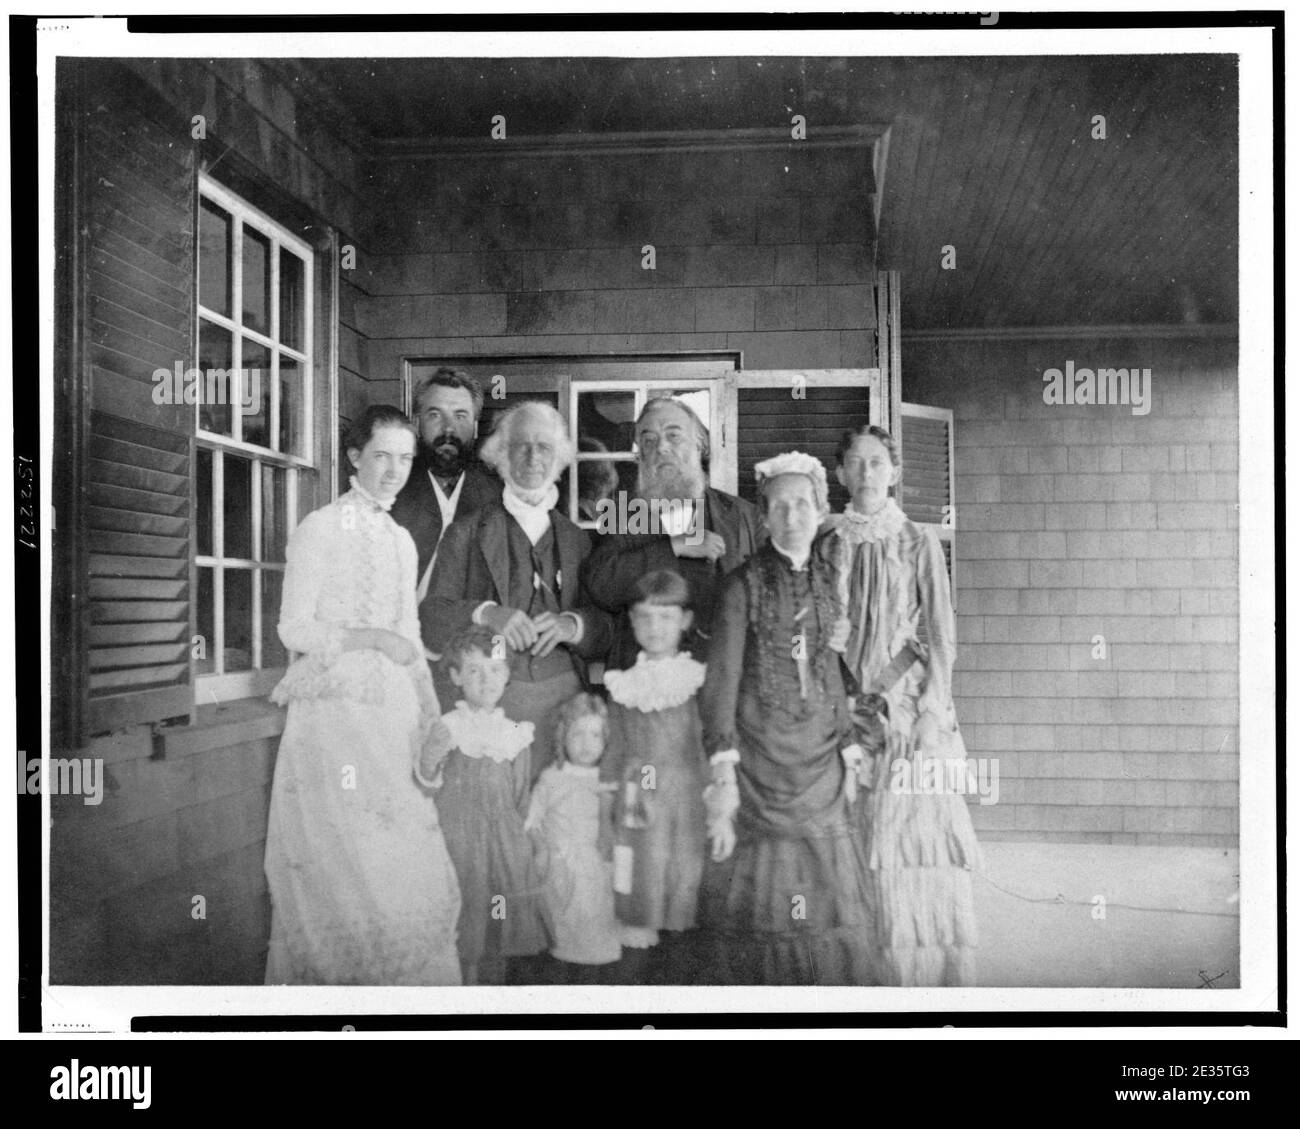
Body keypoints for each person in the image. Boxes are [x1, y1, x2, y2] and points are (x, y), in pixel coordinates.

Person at [264, 404, 461, 985]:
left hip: (391, 719)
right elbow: (293, 629)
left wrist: (430, 712)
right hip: (333, 718)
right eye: (381, 456)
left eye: (405, 458)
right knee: (347, 868)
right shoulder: (320, 527)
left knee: (401, 864)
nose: (393, 471)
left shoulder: (401, 539)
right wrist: (371, 638)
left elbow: (412, 636)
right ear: (354, 457)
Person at [697, 451, 874, 986]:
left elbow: (828, 671)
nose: (791, 516)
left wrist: (848, 743)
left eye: (802, 504)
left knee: (830, 902)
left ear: (821, 510)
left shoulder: (827, 580)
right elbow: (720, 684)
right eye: (778, 506)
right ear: (764, 516)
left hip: (821, 763)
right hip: (759, 767)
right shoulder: (740, 585)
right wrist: (723, 775)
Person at [831, 424, 981, 986]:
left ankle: (922, 982)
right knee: (853, 836)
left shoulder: (917, 542)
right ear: (841, 473)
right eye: (856, 463)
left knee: (915, 845)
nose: (867, 473)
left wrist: (931, 713)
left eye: (877, 463)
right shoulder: (829, 542)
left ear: (893, 472)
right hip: (848, 708)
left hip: (910, 709)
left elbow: (941, 637)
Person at [426, 400, 613, 781]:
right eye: (521, 446)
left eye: (543, 447)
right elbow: (430, 617)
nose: (532, 456)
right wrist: (486, 613)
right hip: (492, 702)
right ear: (501, 456)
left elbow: (605, 628)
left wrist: (572, 625)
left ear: (558, 459)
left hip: (564, 707)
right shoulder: (466, 531)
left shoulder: (576, 539)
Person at [581, 396, 763, 670]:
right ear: (640, 453)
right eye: (649, 441)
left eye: (673, 436)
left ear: (700, 444)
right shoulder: (624, 513)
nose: (661, 448)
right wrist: (673, 548)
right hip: (645, 675)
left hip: (722, 673)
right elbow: (601, 584)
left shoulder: (743, 516)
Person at [429, 625, 551, 985]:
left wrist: (533, 840)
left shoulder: (515, 734)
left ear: (508, 675)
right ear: (455, 676)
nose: (486, 680)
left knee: (499, 916)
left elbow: (521, 798)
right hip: (459, 840)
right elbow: (429, 782)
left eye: (496, 670)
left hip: (504, 841)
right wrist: (428, 757)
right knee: (466, 917)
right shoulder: (447, 728)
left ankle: (493, 992)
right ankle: (464, 985)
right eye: (474, 671)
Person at [601, 569, 708, 982]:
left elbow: (707, 742)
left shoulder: (697, 680)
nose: (654, 627)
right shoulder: (624, 686)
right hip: (637, 808)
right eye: (644, 617)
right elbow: (614, 755)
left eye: (665, 618)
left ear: (684, 621)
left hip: (686, 804)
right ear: (630, 621)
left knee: (683, 890)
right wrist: (606, 813)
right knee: (639, 893)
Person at [390, 367, 501, 707]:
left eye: (461, 415)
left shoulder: (498, 499)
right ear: (417, 422)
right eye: (435, 415)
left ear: (476, 426)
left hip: (472, 670)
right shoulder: (391, 493)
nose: (449, 429)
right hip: (399, 662)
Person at [525, 693, 623, 983]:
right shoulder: (551, 777)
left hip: (599, 869)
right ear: (562, 737)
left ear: (606, 740)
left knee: (598, 934)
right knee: (563, 939)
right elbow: (532, 821)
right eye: (577, 733)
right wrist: (541, 848)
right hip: (561, 869)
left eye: (595, 734)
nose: (586, 743)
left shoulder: (609, 780)